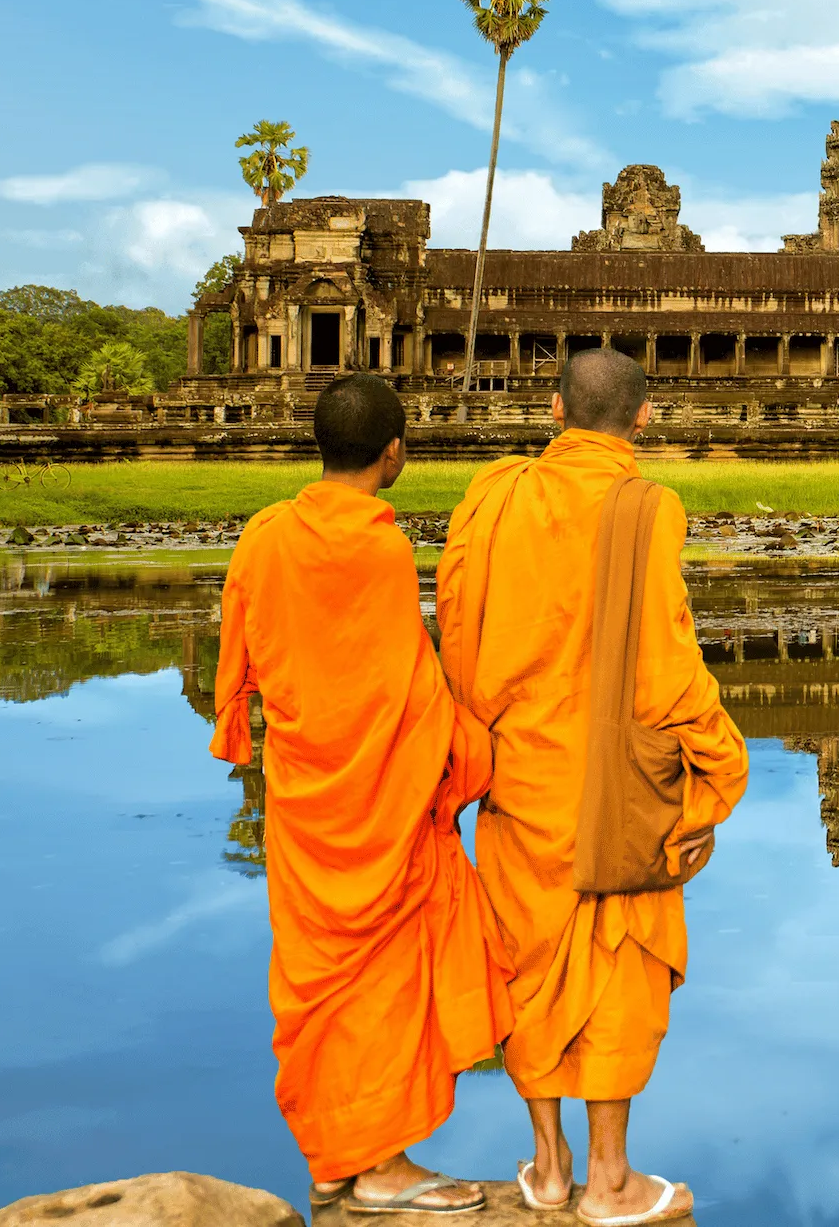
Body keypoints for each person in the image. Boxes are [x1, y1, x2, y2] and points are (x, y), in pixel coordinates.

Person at [437, 349, 749, 1227]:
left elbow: (456, 629)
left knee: (527, 958)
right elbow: (666, 667)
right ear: (643, 419)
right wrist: (721, 771)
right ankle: (609, 1178)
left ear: (553, 408)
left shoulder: (493, 497)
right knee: (615, 957)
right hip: (612, 787)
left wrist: (478, 740)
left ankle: (548, 1163)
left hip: (516, 772)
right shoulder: (646, 507)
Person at [209, 372, 506, 1215]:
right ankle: (377, 1165)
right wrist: (472, 749)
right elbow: (404, 687)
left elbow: (245, 659)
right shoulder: (378, 547)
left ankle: (339, 1156)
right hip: (378, 802)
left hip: (305, 797)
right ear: (394, 452)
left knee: (321, 977)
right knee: (382, 979)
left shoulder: (264, 535)